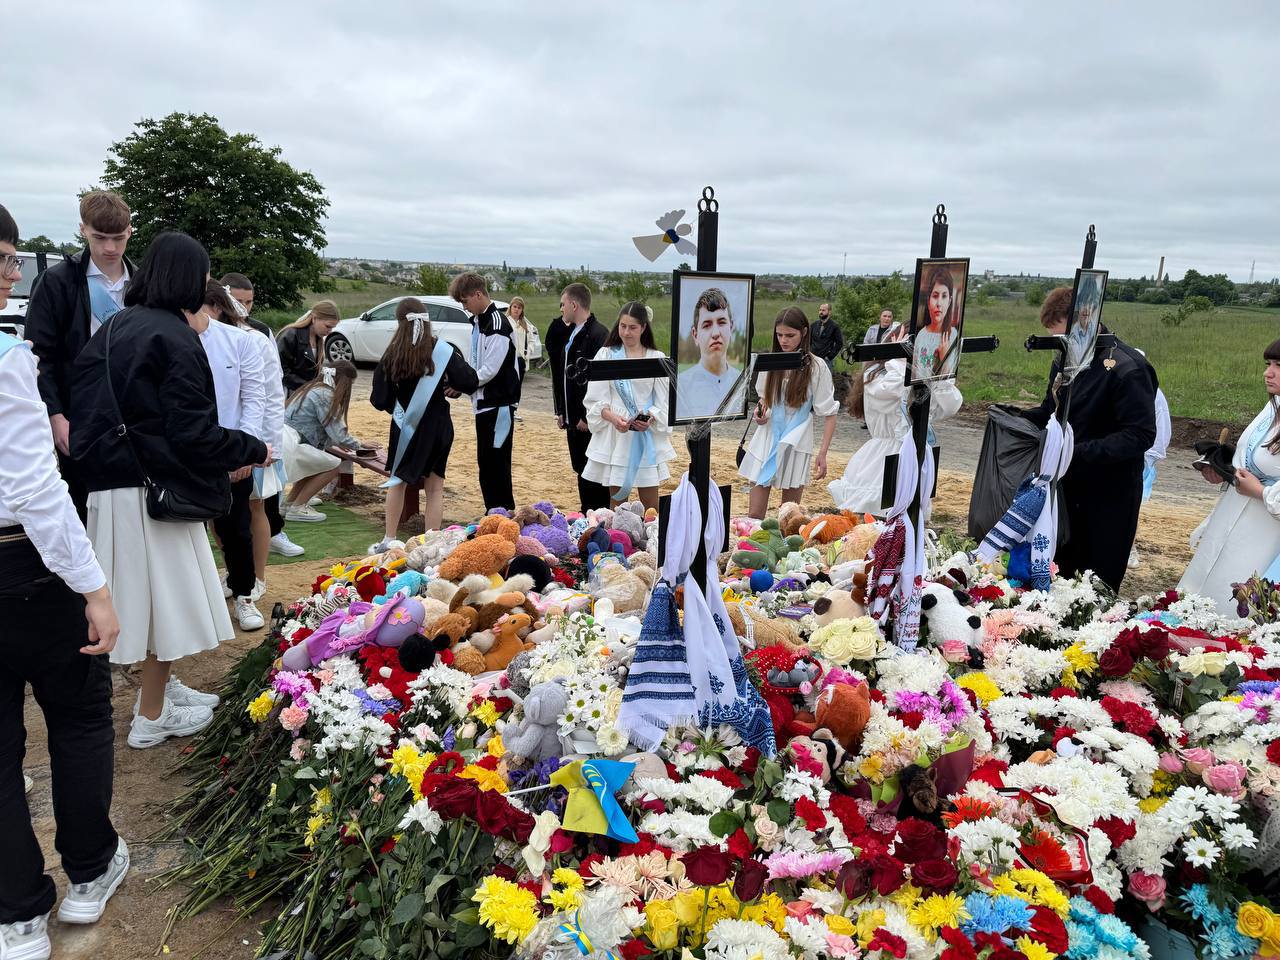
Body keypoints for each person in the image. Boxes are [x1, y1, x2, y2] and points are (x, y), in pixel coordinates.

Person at [69, 232, 269, 750]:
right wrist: (252, 447)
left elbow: (83, 406)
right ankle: (152, 715)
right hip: (152, 492)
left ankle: (158, 692)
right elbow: (193, 432)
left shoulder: (114, 327)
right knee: (165, 604)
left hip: (112, 486)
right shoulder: (174, 336)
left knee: (144, 602)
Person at [0, 203, 127, 960]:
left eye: (11, 260)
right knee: (78, 717)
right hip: (24, 563)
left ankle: (15, 911)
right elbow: (35, 490)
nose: (9, 274)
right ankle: (87, 869)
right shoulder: (9, 360)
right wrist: (94, 587)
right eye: (2, 260)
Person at [1021, 287, 1156, 592]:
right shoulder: (1066, 359)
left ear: (1085, 320)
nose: (1059, 345)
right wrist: (1016, 418)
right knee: (1058, 575)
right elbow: (1052, 410)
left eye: (1062, 337)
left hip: (1108, 496)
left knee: (1094, 584)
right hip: (1066, 490)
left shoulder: (1128, 368)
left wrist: (1075, 453)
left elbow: (1140, 435)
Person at [25, 190, 136, 517]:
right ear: (83, 229)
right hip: (77, 417)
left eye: (118, 237)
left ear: (130, 231)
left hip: (134, 418)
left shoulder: (143, 283)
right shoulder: (56, 282)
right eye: (99, 237)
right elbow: (39, 356)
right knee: (82, 514)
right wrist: (55, 416)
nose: (110, 248)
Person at [1178, 339, 1280, 612]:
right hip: (1231, 515)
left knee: (1237, 605)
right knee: (1201, 594)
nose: (1268, 373)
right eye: (1268, 364)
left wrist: (1260, 491)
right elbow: (1254, 460)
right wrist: (1224, 469)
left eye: (1278, 366)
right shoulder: (1273, 406)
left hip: (1265, 534)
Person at [369, 299, 477, 547]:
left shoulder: (393, 353)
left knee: (398, 482)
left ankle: (389, 538)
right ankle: (431, 542)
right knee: (435, 487)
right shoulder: (442, 349)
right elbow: (469, 381)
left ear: (399, 322)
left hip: (405, 425)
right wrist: (451, 386)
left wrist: (397, 407)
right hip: (438, 425)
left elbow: (379, 398)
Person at [194, 282, 268, 631]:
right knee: (185, 530)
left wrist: (244, 451)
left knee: (237, 529)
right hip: (185, 453)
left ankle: (244, 594)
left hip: (230, 450)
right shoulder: (167, 335)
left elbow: (255, 397)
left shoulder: (239, 340)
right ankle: (194, 602)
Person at [829, 322, 963, 515]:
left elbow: (949, 406)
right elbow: (892, 391)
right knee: (879, 514)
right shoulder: (876, 375)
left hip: (917, 453)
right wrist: (900, 361)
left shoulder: (922, 377)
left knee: (911, 515)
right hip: (885, 456)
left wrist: (941, 371)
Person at [222, 273, 304, 561]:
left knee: (258, 502)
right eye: (237, 301)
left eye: (249, 302)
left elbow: (271, 389)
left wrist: (269, 443)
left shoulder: (259, 332)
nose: (243, 308)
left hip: (255, 434)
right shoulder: (210, 329)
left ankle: (257, 575)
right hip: (223, 433)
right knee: (222, 511)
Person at [740, 308, 841, 519]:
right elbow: (764, 398)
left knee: (789, 516)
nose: (783, 340)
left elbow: (829, 413)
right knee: (754, 514)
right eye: (779, 335)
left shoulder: (817, 366)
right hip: (767, 436)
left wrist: (823, 453)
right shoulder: (769, 361)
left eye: (790, 335)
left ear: (804, 332)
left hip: (798, 439)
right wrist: (760, 413)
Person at [582, 302, 676, 511]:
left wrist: (650, 417)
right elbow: (595, 399)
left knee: (651, 507)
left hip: (645, 434)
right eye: (622, 326)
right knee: (618, 504)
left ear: (643, 328)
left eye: (632, 327)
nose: (626, 332)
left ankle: (651, 533)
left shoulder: (657, 358)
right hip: (617, 434)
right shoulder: (606, 355)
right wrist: (613, 418)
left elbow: (664, 401)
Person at [450, 272, 521, 512]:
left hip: (499, 404)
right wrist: (462, 385)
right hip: (483, 403)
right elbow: (475, 364)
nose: (465, 307)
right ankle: (492, 512)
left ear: (478, 294)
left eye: (465, 301)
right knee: (486, 465)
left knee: (498, 465)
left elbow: (489, 370)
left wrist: (464, 384)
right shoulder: (479, 321)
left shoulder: (498, 324)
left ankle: (504, 514)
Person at [545, 283, 610, 511]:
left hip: (588, 419)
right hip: (572, 417)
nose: (561, 309)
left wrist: (585, 415)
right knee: (580, 468)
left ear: (574, 305)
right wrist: (562, 410)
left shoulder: (598, 334)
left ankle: (598, 513)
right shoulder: (571, 332)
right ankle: (586, 511)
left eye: (563, 304)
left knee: (593, 470)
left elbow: (598, 381)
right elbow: (562, 375)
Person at [282, 361, 364, 521]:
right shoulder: (325, 395)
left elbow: (315, 429)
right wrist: (360, 445)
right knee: (332, 466)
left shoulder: (312, 387)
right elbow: (338, 433)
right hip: (294, 445)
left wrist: (338, 442)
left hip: (289, 440)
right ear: (344, 381)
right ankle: (298, 507)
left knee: (316, 463)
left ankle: (290, 502)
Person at [1129, 351, 1171, 569]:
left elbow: (1159, 431)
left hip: (1140, 457)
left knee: (1131, 505)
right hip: (1129, 454)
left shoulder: (1152, 394)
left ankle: (1129, 547)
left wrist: (1148, 460)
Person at [675, 287, 741, 419]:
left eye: (721, 323)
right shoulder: (681, 385)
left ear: (731, 327)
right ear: (695, 335)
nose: (715, 333)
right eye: (707, 325)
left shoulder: (741, 381)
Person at [277, 300, 340, 393]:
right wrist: (308, 386)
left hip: (307, 393)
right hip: (289, 394)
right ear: (314, 318)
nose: (330, 331)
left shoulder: (319, 340)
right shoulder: (290, 335)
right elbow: (280, 370)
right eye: (327, 326)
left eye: (332, 328)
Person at [912, 266, 962, 382]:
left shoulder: (953, 334)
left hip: (941, 392)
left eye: (944, 296)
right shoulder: (921, 334)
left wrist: (944, 357)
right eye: (935, 296)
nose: (939, 303)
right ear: (928, 300)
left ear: (949, 301)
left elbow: (950, 380)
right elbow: (914, 372)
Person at [508, 296, 542, 375]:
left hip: (522, 360)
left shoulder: (525, 325)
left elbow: (531, 340)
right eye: (515, 306)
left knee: (519, 382)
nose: (516, 309)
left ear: (522, 310)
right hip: (509, 362)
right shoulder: (505, 322)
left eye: (519, 308)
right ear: (510, 307)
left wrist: (528, 351)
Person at [809, 302, 844, 375]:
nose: (821, 312)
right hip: (813, 359)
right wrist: (810, 352)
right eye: (820, 310)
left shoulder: (834, 326)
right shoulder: (814, 325)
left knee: (826, 380)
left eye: (823, 310)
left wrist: (829, 356)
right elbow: (809, 340)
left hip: (826, 360)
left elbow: (839, 343)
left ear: (829, 312)